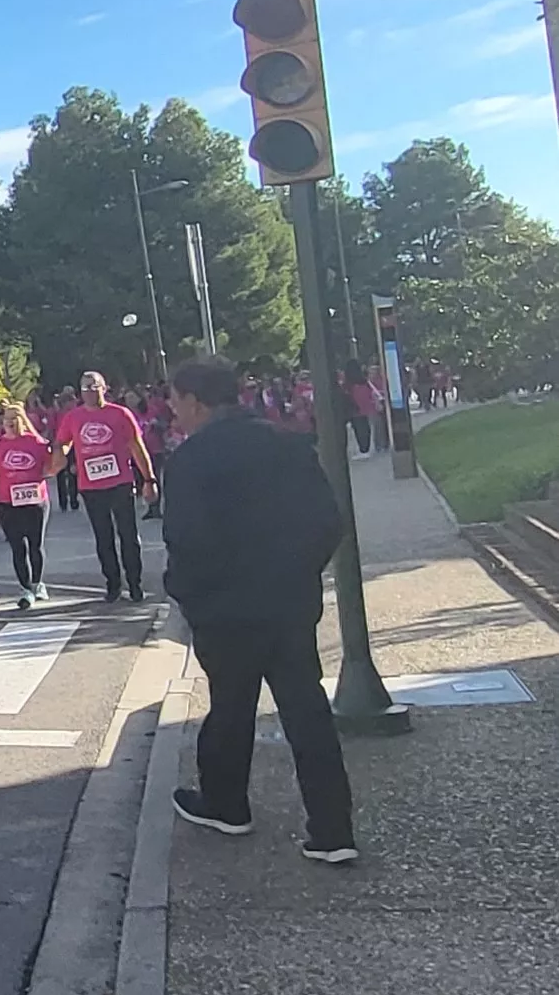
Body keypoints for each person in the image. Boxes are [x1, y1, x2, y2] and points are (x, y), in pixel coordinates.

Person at [157, 359, 358, 864]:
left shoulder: (190, 460)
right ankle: (333, 829)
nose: (173, 411)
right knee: (307, 711)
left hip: (226, 608)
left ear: (197, 402)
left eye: (176, 401)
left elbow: (185, 539)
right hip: (288, 600)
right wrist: (299, 572)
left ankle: (227, 803)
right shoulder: (288, 443)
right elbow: (328, 521)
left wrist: (191, 596)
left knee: (229, 706)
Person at [57, 370, 158, 602]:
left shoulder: (120, 414)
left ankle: (135, 582)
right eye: (85, 388)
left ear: (104, 389)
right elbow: (63, 442)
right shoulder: (73, 417)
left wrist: (149, 479)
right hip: (91, 487)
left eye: (94, 387)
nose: (90, 392)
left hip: (120, 482)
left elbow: (136, 446)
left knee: (128, 535)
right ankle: (112, 583)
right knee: (103, 537)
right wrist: (60, 458)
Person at [0, 409, 57, 608]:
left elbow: (51, 468)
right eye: (7, 420)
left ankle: (38, 582)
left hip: (35, 500)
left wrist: (53, 457)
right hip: (8, 503)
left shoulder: (36, 443)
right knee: (17, 546)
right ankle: (25, 588)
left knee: (36, 544)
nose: (10, 423)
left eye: (15, 419)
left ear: (22, 421)